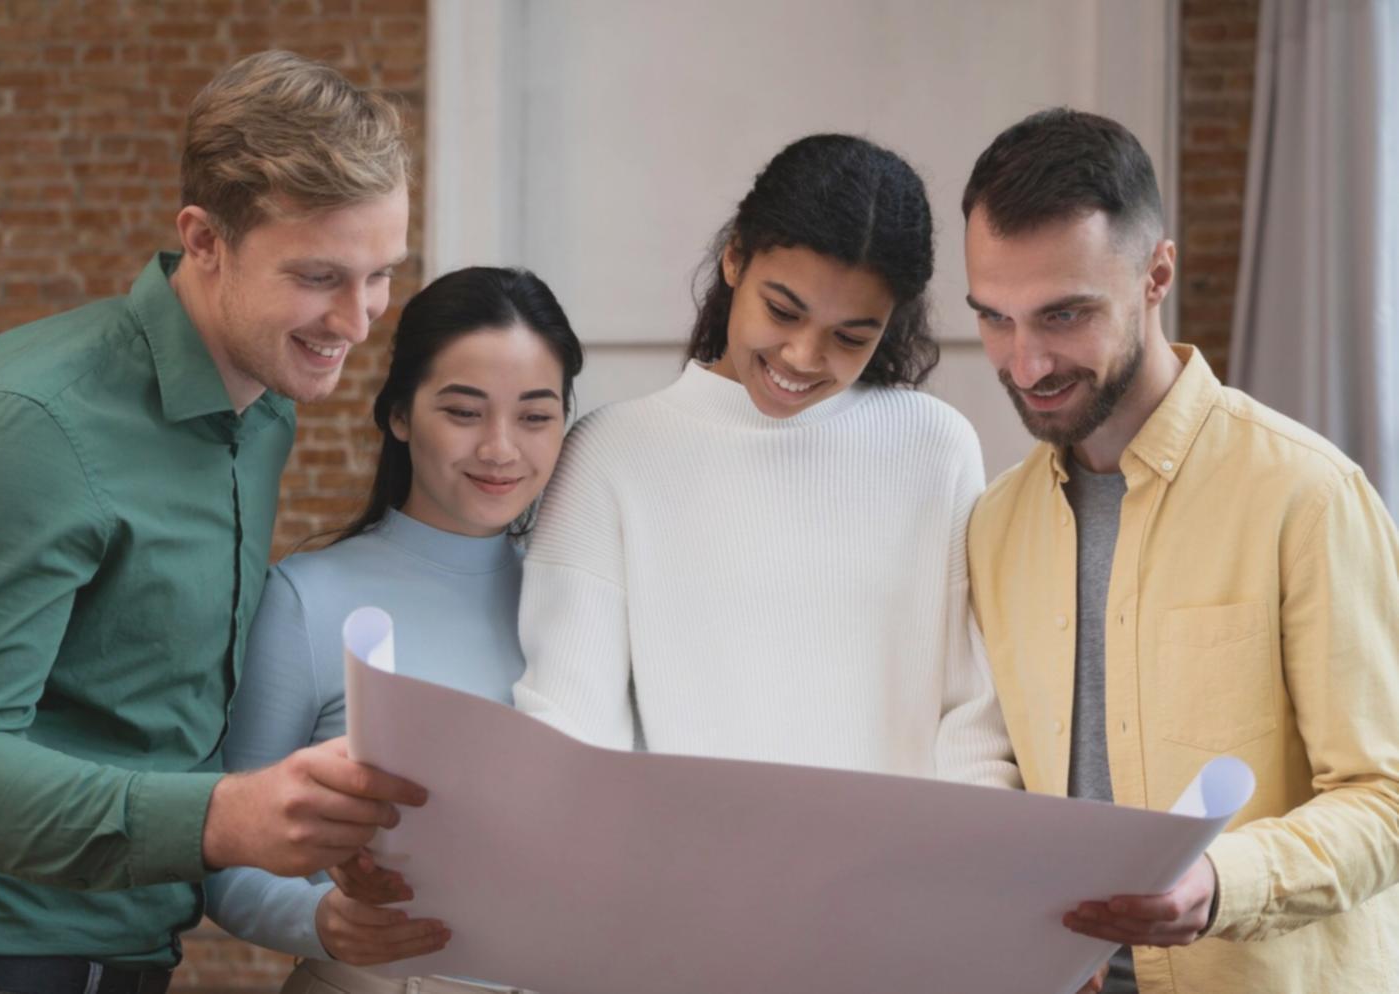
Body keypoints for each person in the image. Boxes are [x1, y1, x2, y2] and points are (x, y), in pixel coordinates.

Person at [0, 51, 424, 992]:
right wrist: (223, 816)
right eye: (319, 276)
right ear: (205, 238)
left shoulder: (264, 410)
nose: (358, 322)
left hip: (135, 964)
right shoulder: (33, 422)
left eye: (379, 275)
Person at [962, 108, 1399, 994]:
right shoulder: (995, 524)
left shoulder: (1306, 494)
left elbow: (1385, 798)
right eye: (996, 320)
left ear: (1157, 274)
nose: (1027, 363)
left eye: (1065, 315)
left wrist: (1221, 884)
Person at [513, 134, 1018, 789]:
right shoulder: (611, 455)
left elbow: (973, 724)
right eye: (782, 311)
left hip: (907, 856)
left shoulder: (935, 448)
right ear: (734, 259)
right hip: (684, 856)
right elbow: (569, 732)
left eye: (850, 337)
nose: (803, 356)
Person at [205, 267, 584, 994]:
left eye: (535, 417)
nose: (501, 449)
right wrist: (324, 920)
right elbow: (223, 853)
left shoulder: (583, 602)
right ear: (400, 414)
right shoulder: (308, 601)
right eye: (464, 412)